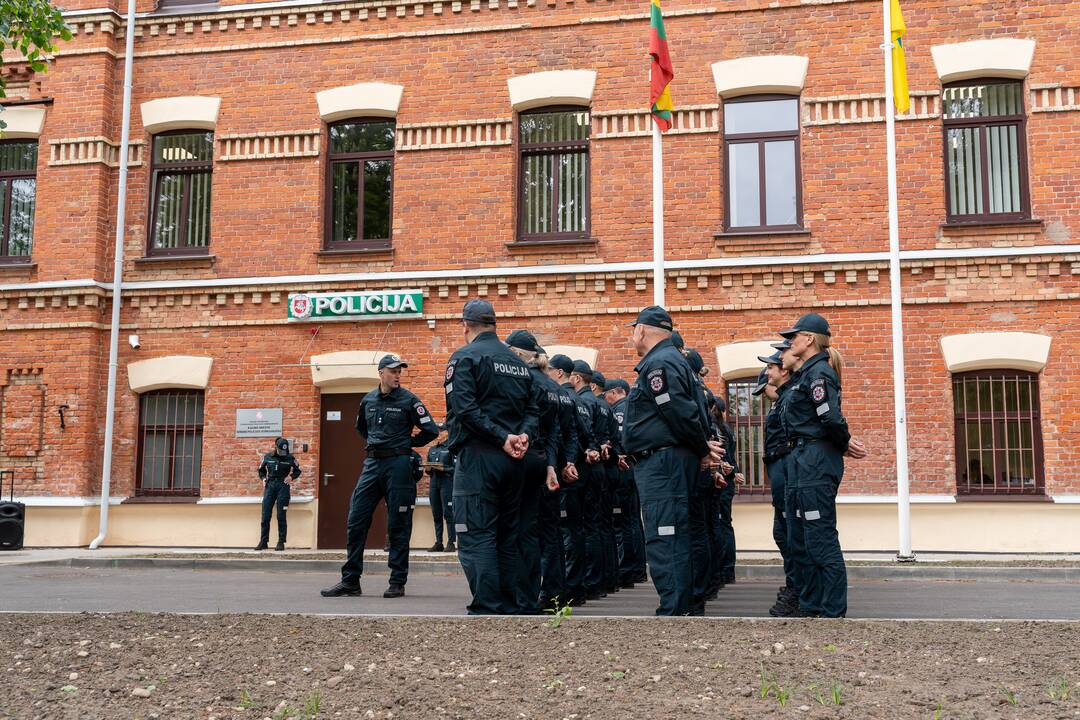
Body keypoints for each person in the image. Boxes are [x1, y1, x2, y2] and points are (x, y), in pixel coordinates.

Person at [622, 306, 723, 615]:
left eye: (633, 330)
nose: (632, 335)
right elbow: (693, 411)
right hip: (672, 460)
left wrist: (701, 449)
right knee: (679, 535)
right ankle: (685, 606)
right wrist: (700, 447)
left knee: (665, 536)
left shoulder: (659, 363)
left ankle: (674, 612)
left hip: (662, 464)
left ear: (641, 330)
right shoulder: (673, 360)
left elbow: (678, 410)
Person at [444, 300, 539, 615]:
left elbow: (465, 409)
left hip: (479, 457)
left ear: (466, 325)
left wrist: (502, 438)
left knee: (476, 534)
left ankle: (488, 605)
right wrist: (521, 436)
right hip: (514, 460)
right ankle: (510, 602)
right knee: (506, 535)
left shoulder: (465, 357)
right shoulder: (519, 365)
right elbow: (533, 409)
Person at [321, 354, 438, 599]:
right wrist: (379, 445)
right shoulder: (368, 400)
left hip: (399, 465)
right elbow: (361, 427)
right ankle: (350, 581)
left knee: (398, 523)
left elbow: (430, 430)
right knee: (356, 518)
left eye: (400, 371)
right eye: (393, 371)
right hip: (373, 463)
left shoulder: (409, 400)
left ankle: (397, 581)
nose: (398, 375)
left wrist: (407, 444)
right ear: (381, 372)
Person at [777, 313, 852, 618]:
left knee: (819, 538)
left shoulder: (819, 373)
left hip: (815, 461)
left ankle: (831, 611)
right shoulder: (803, 376)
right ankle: (810, 605)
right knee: (801, 539)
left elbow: (830, 418)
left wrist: (844, 443)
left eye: (794, 336)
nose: (790, 341)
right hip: (800, 460)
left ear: (809, 339)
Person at [506, 329, 562, 614]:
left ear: (516, 354)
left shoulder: (523, 380)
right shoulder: (553, 386)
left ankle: (522, 596)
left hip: (521, 456)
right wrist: (552, 464)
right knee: (541, 533)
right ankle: (544, 594)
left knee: (517, 531)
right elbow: (555, 431)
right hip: (542, 460)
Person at [755, 358, 798, 617]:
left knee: (789, 535)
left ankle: (796, 589)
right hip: (780, 476)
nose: (765, 395)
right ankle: (794, 585)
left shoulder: (786, 402)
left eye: (765, 389)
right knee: (782, 534)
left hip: (786, 474)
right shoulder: (779, 405)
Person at [548, 353, 590, 606]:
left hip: (564, 472)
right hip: (579, 469)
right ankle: (578, 587)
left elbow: (570, 434)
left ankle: (569, 588)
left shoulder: (561, 396)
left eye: (550, 370)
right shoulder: (578, 399)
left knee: (564, 533)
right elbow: (585, 433)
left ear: (560, 373)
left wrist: (566, 462)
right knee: (579, 529)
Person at [569, 358, 611, 601]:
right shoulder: (598, 403)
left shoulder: (580, 401)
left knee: (581, 527)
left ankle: (586, 583)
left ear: (576, 378)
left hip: (584, 467)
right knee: (596, 526)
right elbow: (603, 436)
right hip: (599, 467)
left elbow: (582, 434)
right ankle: (598, 582)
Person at [604, 378, 647, 587]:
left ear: (614, 392)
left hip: (622, 468)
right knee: (633, 520)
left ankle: (627, 570)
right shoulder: (633, 406)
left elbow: (620, 440)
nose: (606, 399)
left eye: (606, 395)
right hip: (634, 468)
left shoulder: (619, 410)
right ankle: (637, 569)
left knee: (622, 523)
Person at [254, 437, 301, 551]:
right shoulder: (268, 457)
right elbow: (261, 470)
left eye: (284, 451)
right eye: (280, 450)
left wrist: (291, 477)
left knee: (281, 516)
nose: (282, 453)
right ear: (276, 447)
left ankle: (281, 542)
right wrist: (263, 478)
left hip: (282, 487)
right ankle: (263, 541)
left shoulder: (290, 458)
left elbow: (297, 470)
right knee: (265, 515)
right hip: (270, 486)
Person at [425, 425, 456, 553]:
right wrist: (428, 469)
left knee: (448, 514)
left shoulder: (452, 448)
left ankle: (451, 542)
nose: (439, 433)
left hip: (447, 483)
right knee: (436, 514)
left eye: (441, 430)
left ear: (447, 432)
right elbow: (429, 470)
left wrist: (443, 469)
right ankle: (439, 542)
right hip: (434, 483)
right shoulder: (432, 449)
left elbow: (456, 469)